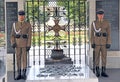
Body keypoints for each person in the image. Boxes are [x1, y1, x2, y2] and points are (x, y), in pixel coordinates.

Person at [10, 10, 32, 80]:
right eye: (20, 15)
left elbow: (30, 36)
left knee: (24, 59)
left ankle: (24, 73)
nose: (21, 17)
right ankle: (19, 73)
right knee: (18, 59)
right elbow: (12, 35)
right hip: (17, 45)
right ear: (18, 16)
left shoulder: (28, 24)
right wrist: (13, 42)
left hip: (25, 44)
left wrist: (29, 45)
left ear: (24, 16)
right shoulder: (15, 24)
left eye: (22, 15)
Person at [91, 9, 111, 77]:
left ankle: (103, 71)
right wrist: (92, 42)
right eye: (99, 14)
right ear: (97, 15)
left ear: (103, 15)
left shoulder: (107, 22)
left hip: (104, 43)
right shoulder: (94, 23)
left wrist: (108, 42)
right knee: (96, 57)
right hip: (96, 43)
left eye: (102, 14)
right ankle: (97, 71)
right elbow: (91, 34)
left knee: (104, 57)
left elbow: (109, 33)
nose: (101, 16)